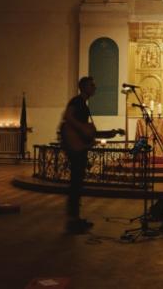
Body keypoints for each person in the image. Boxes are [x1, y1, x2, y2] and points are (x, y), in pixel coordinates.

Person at [59, 76, 97, 234]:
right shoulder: (76, 101)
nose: (94, 87)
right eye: (91, 85)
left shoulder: (84, 104)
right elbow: (67, 117)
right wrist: (82, 129)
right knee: (75, 183)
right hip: (75, 147)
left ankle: (75, 218)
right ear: (83, 87)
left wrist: (88, 138)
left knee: (77, 182)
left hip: (79, 146)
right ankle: (72, 220)